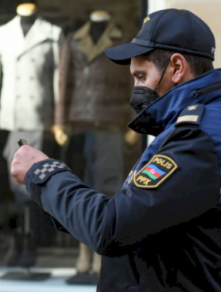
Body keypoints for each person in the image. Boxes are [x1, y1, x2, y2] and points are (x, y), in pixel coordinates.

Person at [11, 8, 221, 291]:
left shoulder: (197, 137)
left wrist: (44, 173)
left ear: (176, 67)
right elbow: (136, 217)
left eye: (140, 75)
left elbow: (113, 228)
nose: (135, 88)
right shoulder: (193, 124)